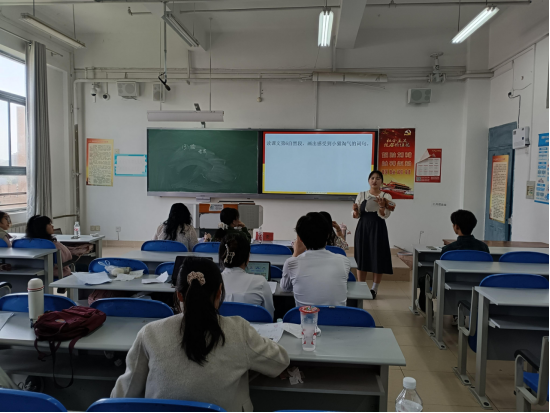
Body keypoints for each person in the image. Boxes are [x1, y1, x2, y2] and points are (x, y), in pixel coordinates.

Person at [111, 257, 289, 412]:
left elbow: (122, 396)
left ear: (179, 295)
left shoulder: (150, 333)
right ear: (220, 291)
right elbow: (280, 362)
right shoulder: (239, 330)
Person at [418, 210, 490, 313]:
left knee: (423, 279)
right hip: (477, 285)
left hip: (450, 285)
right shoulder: (483, 248)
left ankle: (427, 311)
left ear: (456, 227)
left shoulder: (449, 249)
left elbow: (441, 271)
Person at [281, 212, 350, 308]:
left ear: (300, 239)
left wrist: (296, 253)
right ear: (328, 235)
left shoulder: (291, 263)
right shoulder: (344, 261)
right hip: (338, 317)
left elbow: (285, 288)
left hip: (305, 316)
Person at [352, 170, 394, 299]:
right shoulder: (362, 194)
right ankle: (361, 286)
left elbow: (385, 215)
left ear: (382, 182)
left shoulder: (386, 196)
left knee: (378, 256)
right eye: (372, 178)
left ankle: (374, 289)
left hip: (378, 228)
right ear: (368, 181)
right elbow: (356, 215)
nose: (374, 181)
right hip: (363, 227)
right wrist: (355, 210)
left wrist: (381, 206)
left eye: (378, 178)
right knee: (361, 256)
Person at [220, 233, 275, 318]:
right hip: (251, 326)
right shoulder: (260, 283)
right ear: (247, 257)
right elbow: (269, 315)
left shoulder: (212, 282)